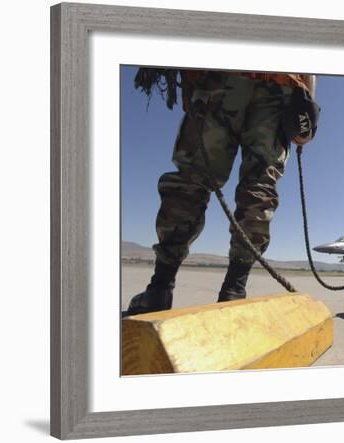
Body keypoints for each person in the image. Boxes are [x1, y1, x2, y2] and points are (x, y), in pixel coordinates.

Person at [125, 69, 318, 316]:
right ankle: (233, 292)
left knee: (192, 181)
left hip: (222, 77)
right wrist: (307, 109)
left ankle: (159, 289)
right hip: (280, 88)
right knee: (259, 190)